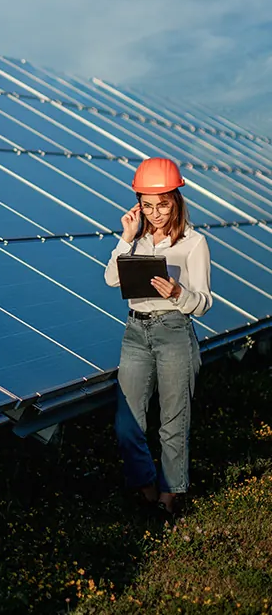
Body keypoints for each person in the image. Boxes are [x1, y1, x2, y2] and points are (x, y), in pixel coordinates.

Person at [104, 157, 212, 519]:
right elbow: (111, 280)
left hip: (174, 332)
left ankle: (168, 498)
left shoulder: (194, 244)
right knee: (127, 422)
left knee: (173, 420)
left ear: (176, 200)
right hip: (135, 332)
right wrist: (125, 238)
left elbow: (204, 302)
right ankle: (146, 488)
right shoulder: (136, 240)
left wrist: (178, 293)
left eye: (162, 204)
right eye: (147, 205)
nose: (156, 213)